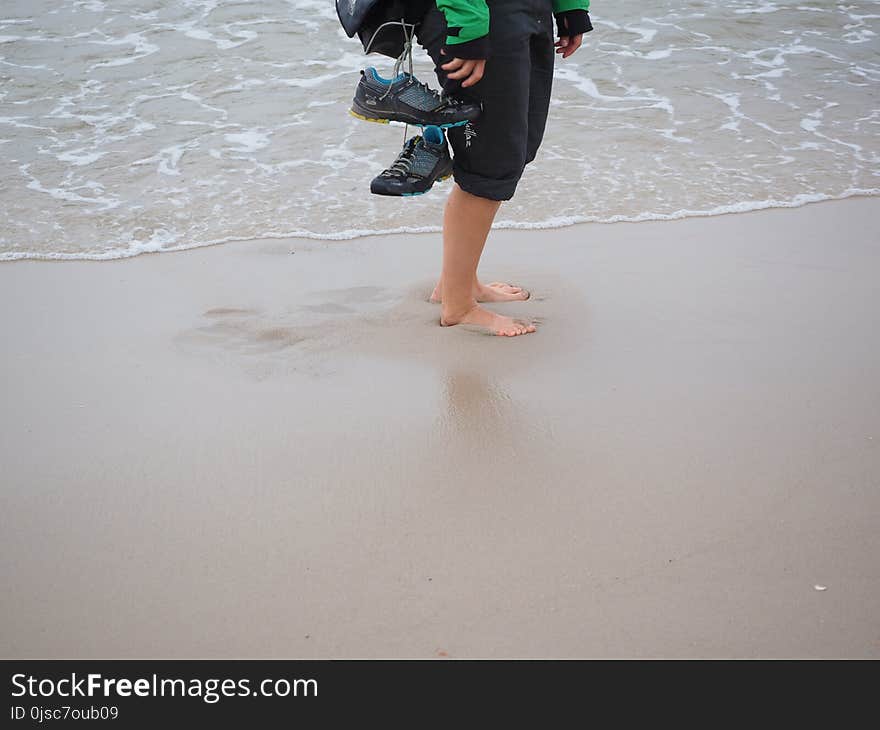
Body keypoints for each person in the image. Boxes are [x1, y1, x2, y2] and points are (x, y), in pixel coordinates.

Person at [349, 0, 593, 336]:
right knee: (491, 161)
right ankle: (458, 306)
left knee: (513, 151)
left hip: (528, 10)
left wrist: (571, 6)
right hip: (476, 13)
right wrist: (469, 27)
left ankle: (458, 284)